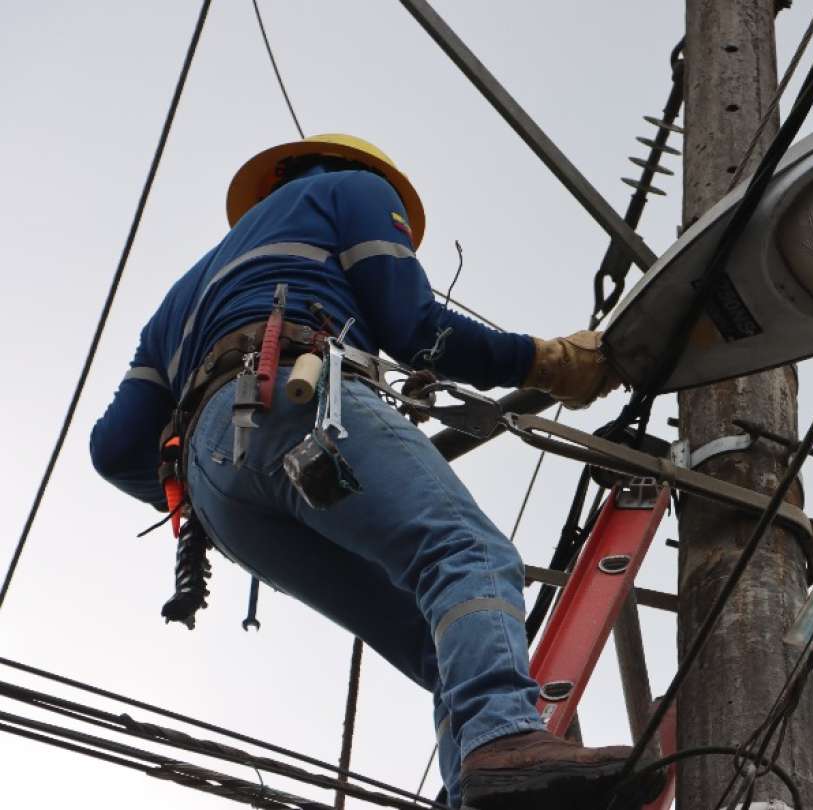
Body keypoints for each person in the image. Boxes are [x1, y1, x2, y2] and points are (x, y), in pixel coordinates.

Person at [90, 134, 639, 810]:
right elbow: (412, 326)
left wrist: (212, 482)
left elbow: (113, 450)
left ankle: (482, 788)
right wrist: (550, 363)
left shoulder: (184, 297)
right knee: (468, 554)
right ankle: (502, 738)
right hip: (295, 396)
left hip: (219, 496)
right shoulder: (352, 191)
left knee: (438, 636)